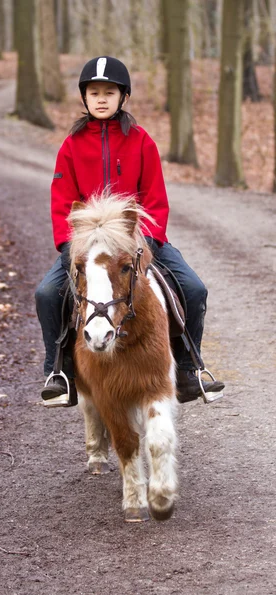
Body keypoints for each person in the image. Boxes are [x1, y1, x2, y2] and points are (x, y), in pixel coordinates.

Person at [35, 56, 224, 407]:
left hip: (139, 242)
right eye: (94, 92)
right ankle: (59, 373)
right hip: (87, 247)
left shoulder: (141, 142)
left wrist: (146, 242)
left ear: (123, 97)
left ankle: (188, 370)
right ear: (84, 97)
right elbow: (62, 202)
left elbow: (155, 199)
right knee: (47, 294)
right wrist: (68, 247)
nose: (102, 99)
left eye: (110, 92)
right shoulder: (71, 146)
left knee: (194, 289)